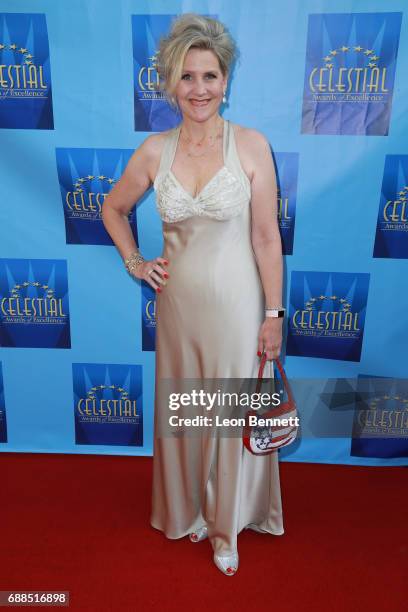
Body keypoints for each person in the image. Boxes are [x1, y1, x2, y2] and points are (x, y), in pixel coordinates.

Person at [102, 13, 285, 576]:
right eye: (187, 77)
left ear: (225, 80)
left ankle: (226, 527)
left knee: (229, 415)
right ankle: (187, 511)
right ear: (170, 84)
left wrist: (274, 312)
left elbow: (264, 237)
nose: (198, 89)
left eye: (209, 76)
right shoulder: (155, 150)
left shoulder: (252, 145)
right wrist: (136, 262)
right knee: (186, 412)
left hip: (237, 305)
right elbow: (112, 208)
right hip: (179, 308)